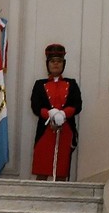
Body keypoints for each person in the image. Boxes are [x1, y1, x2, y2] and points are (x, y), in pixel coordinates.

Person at [30, 43, 82, 180]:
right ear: (47, 64)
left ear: (63, 64)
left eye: (59, 61)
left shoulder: (72, 83)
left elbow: (77, 104)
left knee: (61, 170)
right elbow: (35, 106)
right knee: (42, 167)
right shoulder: (39, 84)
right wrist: (50, 114)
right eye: (52, 61)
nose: (56, 64)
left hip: (66, 130)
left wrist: (64, 114)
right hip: (45, 130)